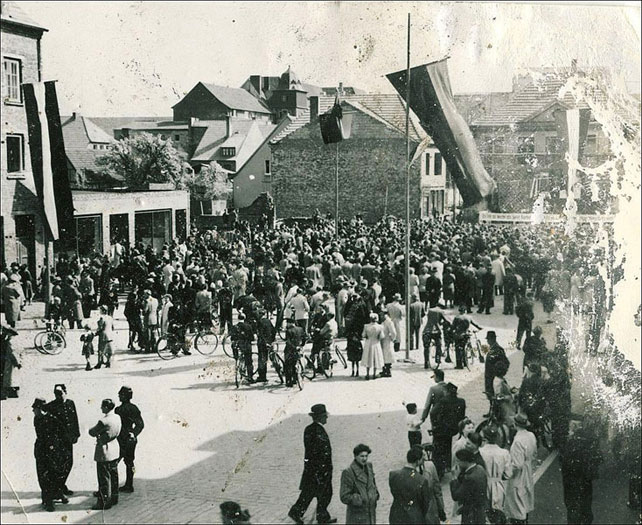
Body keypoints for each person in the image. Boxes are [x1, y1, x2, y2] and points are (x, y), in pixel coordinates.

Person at [289, 404, 337, 524]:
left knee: (313, 492)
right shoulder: (317, 430)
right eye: (325, 416)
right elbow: (316, 452)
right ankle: (313, 515)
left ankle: (319, 516)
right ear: (319, 417)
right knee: (322, 493)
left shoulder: (310, 429)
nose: (326, 418)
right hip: (319, 470)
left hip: (313, 469)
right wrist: (320, 470)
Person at [560, 421, 603, 525]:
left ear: (574, 428)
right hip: (586, 480)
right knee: (586, 506)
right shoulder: (590, 440)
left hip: (572, 481)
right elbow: (599, 458)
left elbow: (564, 462)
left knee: (573, 507)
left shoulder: (570, 443)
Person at [32, 397, 69, 512]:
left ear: (40, 408)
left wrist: (56, 446)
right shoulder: (36, 419)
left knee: (54, 473)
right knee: (43, 476)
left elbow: (62, 432)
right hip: (41, 450)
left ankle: (57, 494)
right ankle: (47, 500)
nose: (33, 411)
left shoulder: (52, 419)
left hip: (52, 451)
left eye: (35, 408)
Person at [46, 384, 80, 497]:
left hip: (69, 439)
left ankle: (61, 485)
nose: (57, 396)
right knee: (59, 464)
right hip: (58, 440)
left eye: (60, 393)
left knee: (69, 463)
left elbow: (74, 419)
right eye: (56, 393)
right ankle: (59, 488)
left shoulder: (70, 403)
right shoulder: (51, 406)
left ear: (65, 392)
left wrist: (76, 434)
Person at [88, 398, 122, 510]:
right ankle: (114, 497)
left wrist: (99, 435)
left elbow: (92, 432)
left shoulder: (103, 421)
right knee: (114, 475)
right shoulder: (117, 417)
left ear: (107, 407)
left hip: (104, 451)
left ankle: (104, 501)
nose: (101, 408)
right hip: (115, 448)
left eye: (102, 406)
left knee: (103, 478)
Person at [504, 414, 537, 524]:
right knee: (525, 500)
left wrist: (506, 473)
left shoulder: (517, 441)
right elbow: (534, 454)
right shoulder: (531, 435)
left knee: (517, 502)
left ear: (515, 424)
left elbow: (517, 465)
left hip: (519, 475)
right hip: (528, 470)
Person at [430, 382, 466, 479]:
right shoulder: (461, 401)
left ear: (447, 392)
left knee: (438, 448)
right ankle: (447, 465)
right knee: (447, 446)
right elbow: (462, 416)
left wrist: (435, 425)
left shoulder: (443, 401)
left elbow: (433, 413)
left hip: (441, 429)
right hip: (453, 429)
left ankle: (439, 470)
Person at [388, 447, 432, 524]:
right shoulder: (421, 480)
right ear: (417, 461)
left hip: (396, 515)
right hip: (414, 517)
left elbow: (394, 492)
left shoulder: (393, 475)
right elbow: (425, 504)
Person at [339, 443, 380, 524]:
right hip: (357, 515)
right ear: (355, 456)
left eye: (366, 456)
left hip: (370, 514)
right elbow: (344, 496)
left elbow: (373, 483)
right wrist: (359, 499)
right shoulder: (348, 472)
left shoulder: (369, 466)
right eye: (361, 456)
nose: (364, 459)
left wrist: (375, 494)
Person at [480, 426, 513, 524]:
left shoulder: (480, 452)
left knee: (485, 516)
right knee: (498, 515)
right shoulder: (504, 453)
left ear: (485, 437)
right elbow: (508, 474)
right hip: (499, 486)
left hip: (484, 486)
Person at [115, 386, 145, 493]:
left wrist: (133, 434)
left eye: (121, 394)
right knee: (129, 462)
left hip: (125, 439)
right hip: (124, 438)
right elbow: (140, 425)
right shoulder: (119, 409)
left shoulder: (128, 409)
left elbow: (140, 424)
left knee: (123, 462)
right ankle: (128, 484)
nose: (119, 395)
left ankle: (126, 485)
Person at [450, 448, 489, 525]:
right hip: (481, 511)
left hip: (471, 514)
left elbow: (456, 496)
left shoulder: (469, 478)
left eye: (458, 461)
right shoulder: (480, 469)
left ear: (464, 461)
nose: (457, 464)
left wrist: (454, 478)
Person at [415, 443, 447, 524]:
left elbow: (437, 490)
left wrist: (441, 509)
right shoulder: (410, 471)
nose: (425, 458)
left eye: (425, 455)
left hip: (431, 511)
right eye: (423, 456)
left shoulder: (430, 466)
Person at [484, 330, 509, 414]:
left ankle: (494, 412)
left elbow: (506, 362)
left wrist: (500, 372)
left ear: (492, 339)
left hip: (493, 376)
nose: (487, 341)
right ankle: (491, 411)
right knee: (490, 393)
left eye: (488, 339)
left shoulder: (498, 349)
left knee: (494, 393)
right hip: (489, 375)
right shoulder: (493, 348)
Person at [422, 304, 448, 369]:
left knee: (426, 347)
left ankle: (426, 362)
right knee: (439, 345)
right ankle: (438, 359)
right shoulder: (441, 311)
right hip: (436, 331)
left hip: (427, 330)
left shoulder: (430, 310)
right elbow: (446, 321)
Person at [1, 324, 21, 400]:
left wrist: (17, 362)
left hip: (10, 363)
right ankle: (14, 393)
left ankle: (7, 394)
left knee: (9, 379)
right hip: (14, 362)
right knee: (13, 378)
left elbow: (12, 353)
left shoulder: (10, 342)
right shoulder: (15, 340)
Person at [361, 313, 384, 380]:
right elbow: (382, 336)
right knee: (375, 358)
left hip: (368, 343)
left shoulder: (366, 326)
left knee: (368, 358)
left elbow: (363, 335)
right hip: (376, 343)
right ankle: (374, 374)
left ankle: (367, 374)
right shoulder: (380, 327)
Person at [256, 308, 276, 383]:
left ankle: (262, 376)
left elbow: (260, 333)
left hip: (262, 343)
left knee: (262, 359)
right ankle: (279, 369)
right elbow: (273, 330)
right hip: (270, 342)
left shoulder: (260, 322)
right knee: (272, 357)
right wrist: (272, 340)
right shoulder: (268, 321)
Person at [284, 318, 304, 387]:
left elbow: (288, 342)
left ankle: (289, 381)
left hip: (290, 350)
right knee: (295, 363)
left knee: (288, 365)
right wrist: (301, 345)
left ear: (289, 323)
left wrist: (293, 347)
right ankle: (295, 379)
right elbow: (305, 337)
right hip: (298, 348)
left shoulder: (288, 331)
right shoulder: (300, 329)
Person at [380, 310, 396, 377]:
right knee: (383, 355)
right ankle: (384, 370)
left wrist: (392, 338)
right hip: (382, 340)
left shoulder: (389, 322)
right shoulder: (382, 321)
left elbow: (393, 332)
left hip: (387, 340)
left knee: (387, 355)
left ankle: (388, 371)